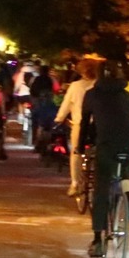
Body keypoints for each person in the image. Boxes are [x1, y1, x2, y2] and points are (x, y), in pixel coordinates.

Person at [79, 61, 129, 258]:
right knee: (125, 170)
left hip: (107, 145)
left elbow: (85, 123)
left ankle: (98, 240)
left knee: (101, 189)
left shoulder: (92, 94)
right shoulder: (126, 95)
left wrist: (81, 148)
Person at [55, 57, 100, 197]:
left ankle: (75, 183)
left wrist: (59, 119)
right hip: (99, 125)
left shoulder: (75, 86)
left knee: (76, 153)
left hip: (80, 125)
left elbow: (66, 105)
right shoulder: (101, 85)